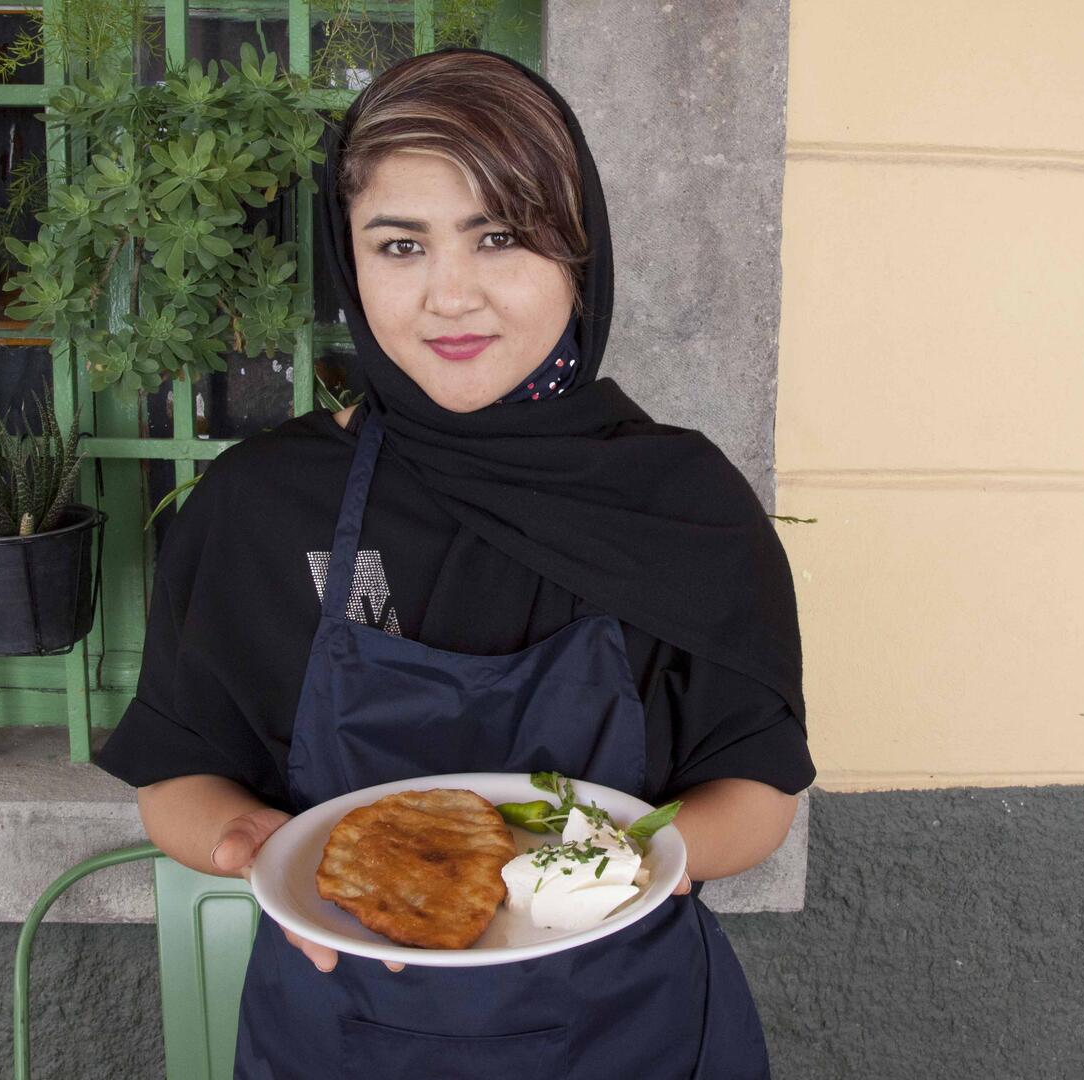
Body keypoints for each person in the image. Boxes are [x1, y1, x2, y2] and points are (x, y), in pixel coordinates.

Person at [92, 45, 815, 1080]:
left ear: (578, 252)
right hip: (334, 1038)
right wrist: (244, 838)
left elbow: (758, 787)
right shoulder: (261, 504)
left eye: (501, 236)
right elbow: (177, 772)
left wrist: (628, 866)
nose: (450, 295)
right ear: (349, 261)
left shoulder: (683, 503)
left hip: (631, 1036)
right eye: (400, 245)